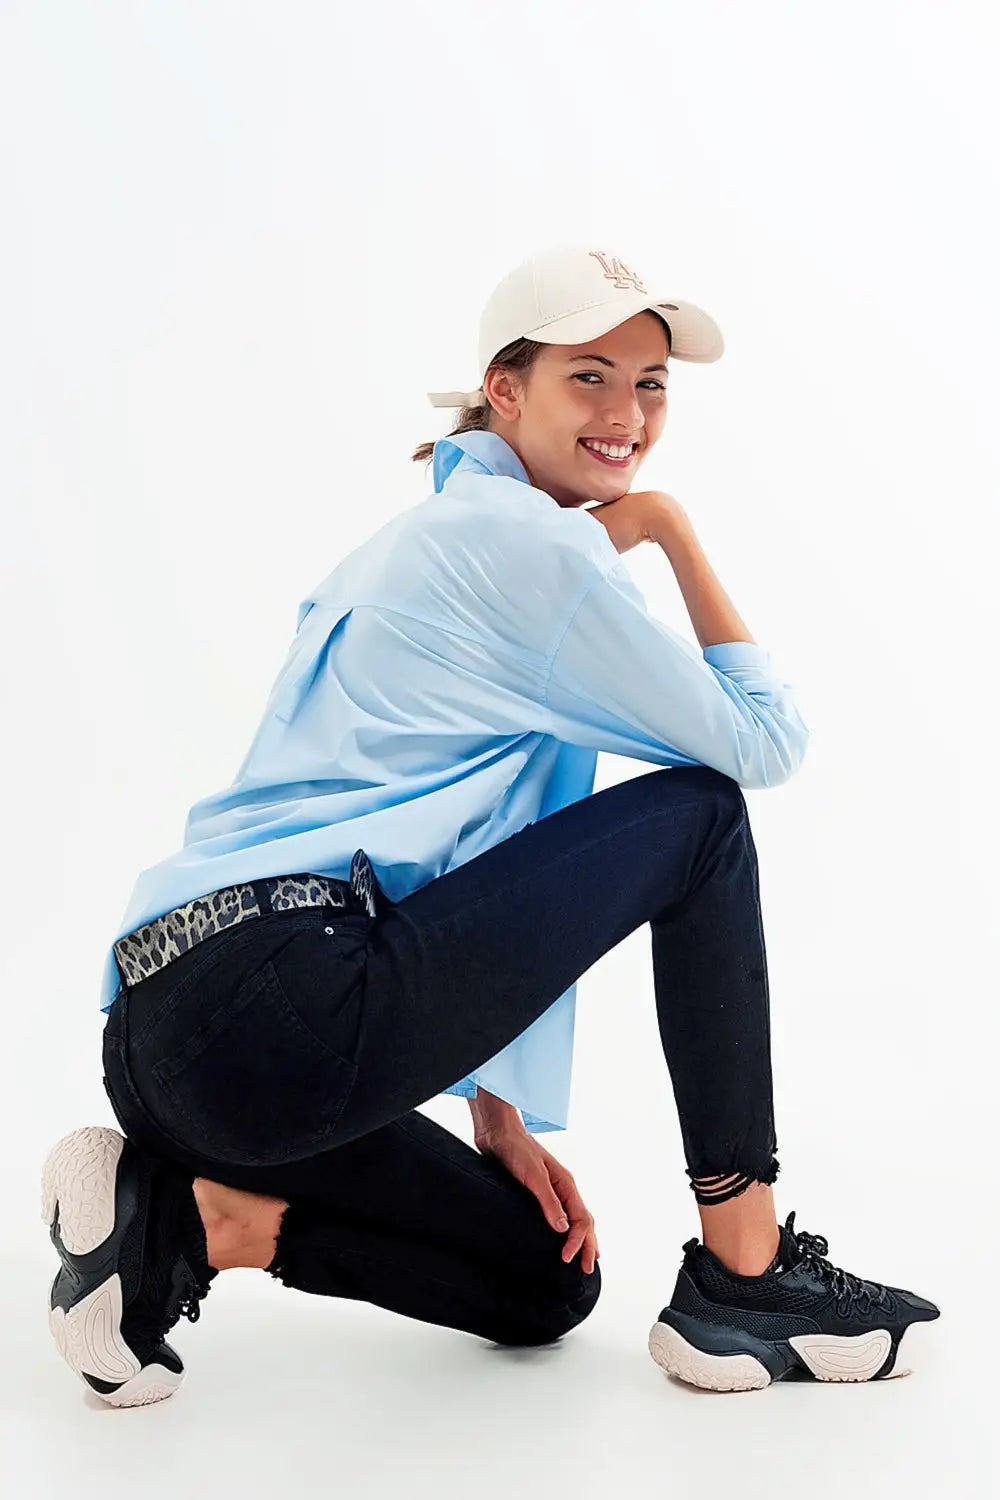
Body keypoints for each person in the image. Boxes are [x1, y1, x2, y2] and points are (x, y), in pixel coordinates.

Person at [41, 244, 939, 1407]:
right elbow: (761, 742)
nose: (627, 415)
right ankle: (746, 1275)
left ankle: (180, 1221)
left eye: (650, 384)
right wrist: (666, 528)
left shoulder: (421, 544)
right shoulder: (530, 548)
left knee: (540, 1283)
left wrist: (496, 1116)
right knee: (701, 817)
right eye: (589, 377)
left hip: (167, 1036)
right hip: (285, 1002)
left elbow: (459, 847)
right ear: (504, 390)